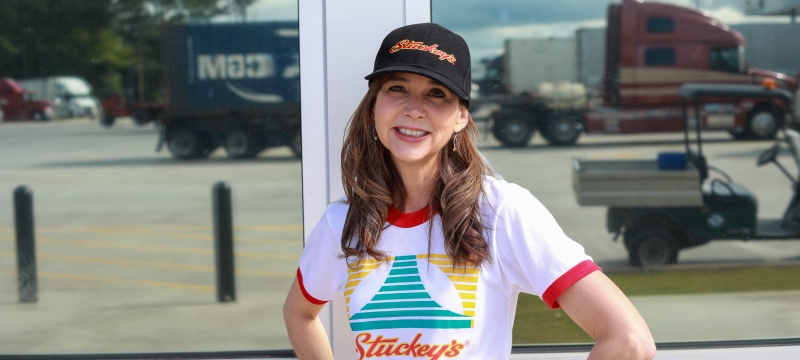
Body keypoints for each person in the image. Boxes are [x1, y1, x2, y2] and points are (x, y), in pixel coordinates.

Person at [283, 23, 656, 360]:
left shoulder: (501, 211)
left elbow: (629, 341)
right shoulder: (343, 221)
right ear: (373, 108)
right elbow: (299, 313)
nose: (414, 109)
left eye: (436, 94)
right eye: (397, 88)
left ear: (461, 116)